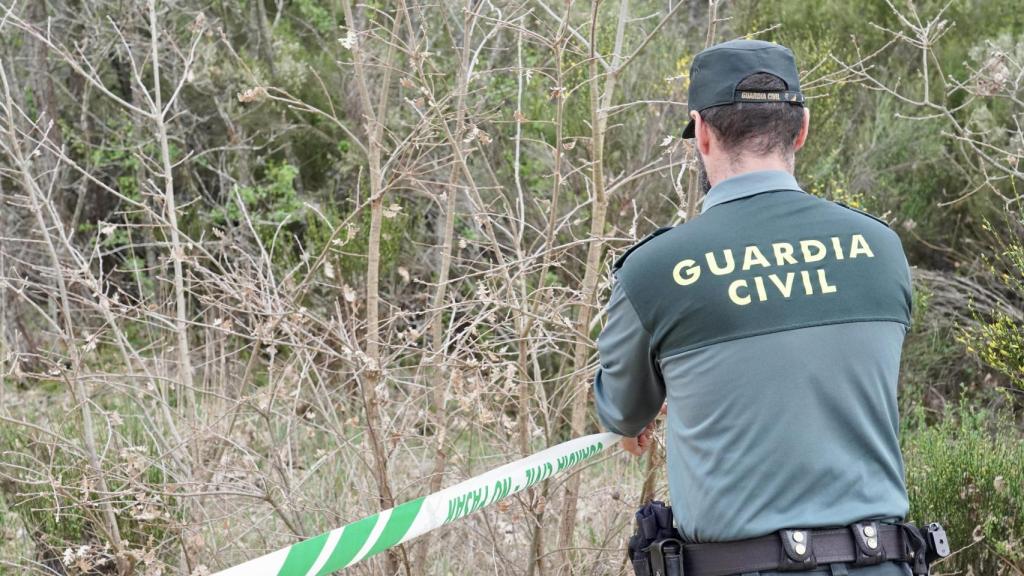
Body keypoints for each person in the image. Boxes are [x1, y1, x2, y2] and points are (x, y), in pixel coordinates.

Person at [593, 39, 925, 576]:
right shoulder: (880, 249)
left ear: (701, 131)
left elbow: (623, 413)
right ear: (802, 128)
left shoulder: (653, 270)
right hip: (882, 562)